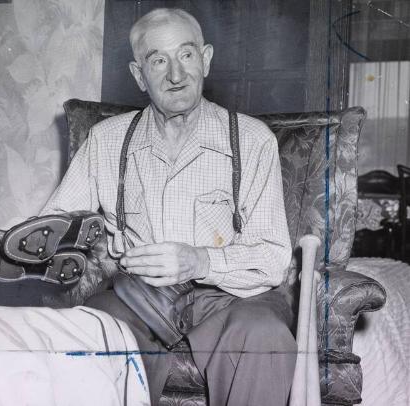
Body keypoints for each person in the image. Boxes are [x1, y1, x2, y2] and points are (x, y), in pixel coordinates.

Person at [38, 8, 297, 406]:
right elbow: (56, 223)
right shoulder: (106, 141)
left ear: (206, 59)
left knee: (264, 337)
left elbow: (273, 257)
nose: (176, 75)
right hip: (137, 296)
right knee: (87, 331)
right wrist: (43, 242)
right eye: (158, 60)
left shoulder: (251, 140)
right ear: (140, 75)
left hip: (233, 298)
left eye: (187, 55)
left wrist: (199, 261)